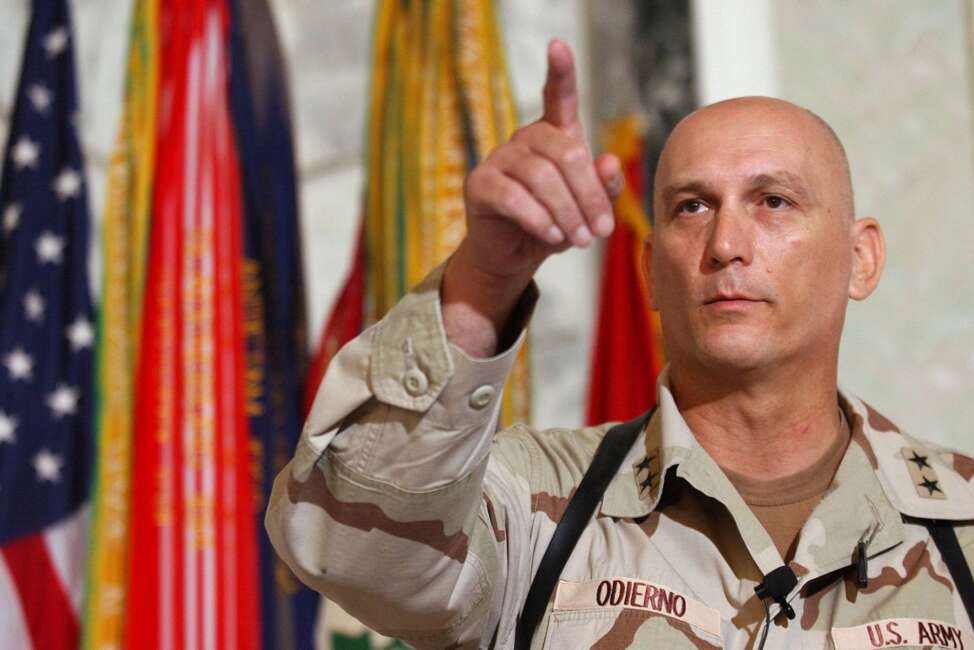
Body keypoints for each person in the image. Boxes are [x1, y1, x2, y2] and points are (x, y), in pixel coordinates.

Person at [266, 40, 974, 649]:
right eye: (692, 207)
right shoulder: (536, 507)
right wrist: (486, 277)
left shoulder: (963, 526)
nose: (725, 245)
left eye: (773, 202)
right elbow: (348, 546)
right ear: (650, 272)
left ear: (861, 260)